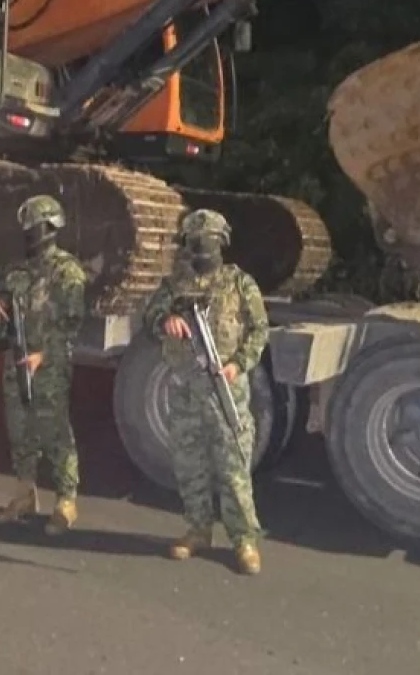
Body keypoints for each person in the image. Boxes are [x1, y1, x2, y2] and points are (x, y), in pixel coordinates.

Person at [140, 208, 270, 575]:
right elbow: (149, 319)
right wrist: (167, 320)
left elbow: (260, 330)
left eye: (207, 241)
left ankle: (244, 540)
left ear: (221, 242)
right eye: (194, 241)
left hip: (226, 390)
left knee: (233, 469)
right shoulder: (173, 285)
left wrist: (238, 364)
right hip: (186, 390)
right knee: (189, 464)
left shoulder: (239, 283)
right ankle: (198, 529)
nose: (200, 248)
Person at [0, 194, 87, 535]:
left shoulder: (67, 271)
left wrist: (44, 354)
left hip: (48, 365)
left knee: (54, 431)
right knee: (19, 430)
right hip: (16, 360)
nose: (29, 231)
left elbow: (72, 321)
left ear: (51, 227)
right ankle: (25, 494)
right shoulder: (18, 271)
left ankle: (66, 501)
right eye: (26, 225)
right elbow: (1, 300)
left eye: (34, 225)